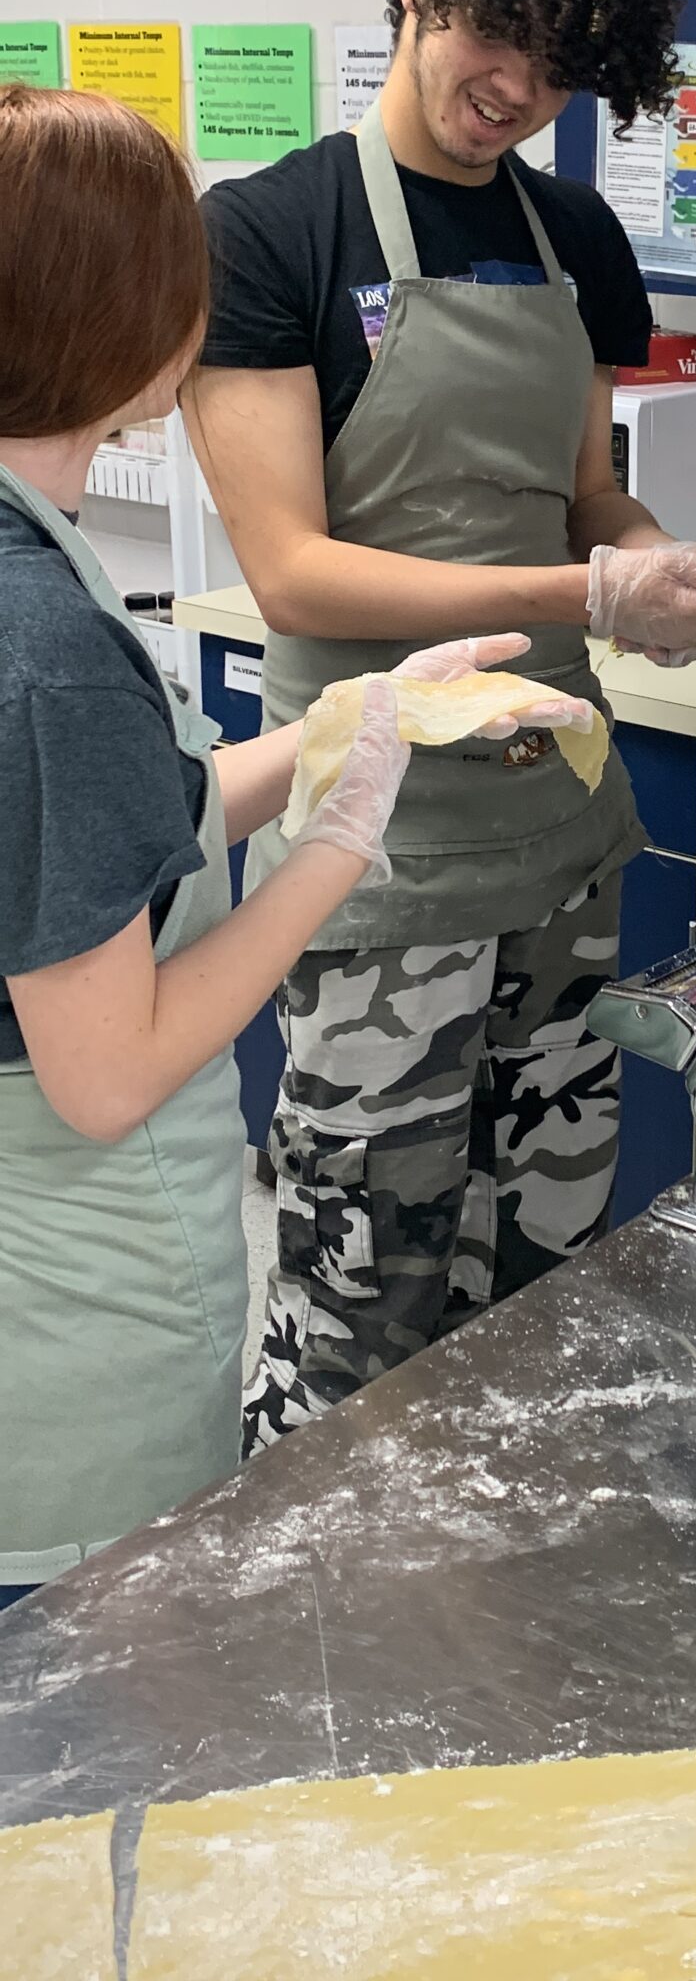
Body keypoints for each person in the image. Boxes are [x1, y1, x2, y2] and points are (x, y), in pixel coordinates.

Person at [189, 0, 696, 1454]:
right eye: (498, 37)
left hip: (559, 845)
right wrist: (576, 596)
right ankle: (323, 1646)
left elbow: (581, 498)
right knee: (360, 1292)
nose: (516, 89)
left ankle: (499, 1640)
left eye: (561, 70)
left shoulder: (577, 237)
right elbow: (293, 572)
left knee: (542, 1278)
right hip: (372, 852)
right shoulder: (273, 237)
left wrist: (653, 561)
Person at [0, 85, 414, 1597]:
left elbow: (93, 844)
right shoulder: (38, 646)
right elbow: (106, 1073)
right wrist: (331, 848)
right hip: (67, 1328)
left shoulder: (27, 569)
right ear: (129, 326)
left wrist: (322, 740)